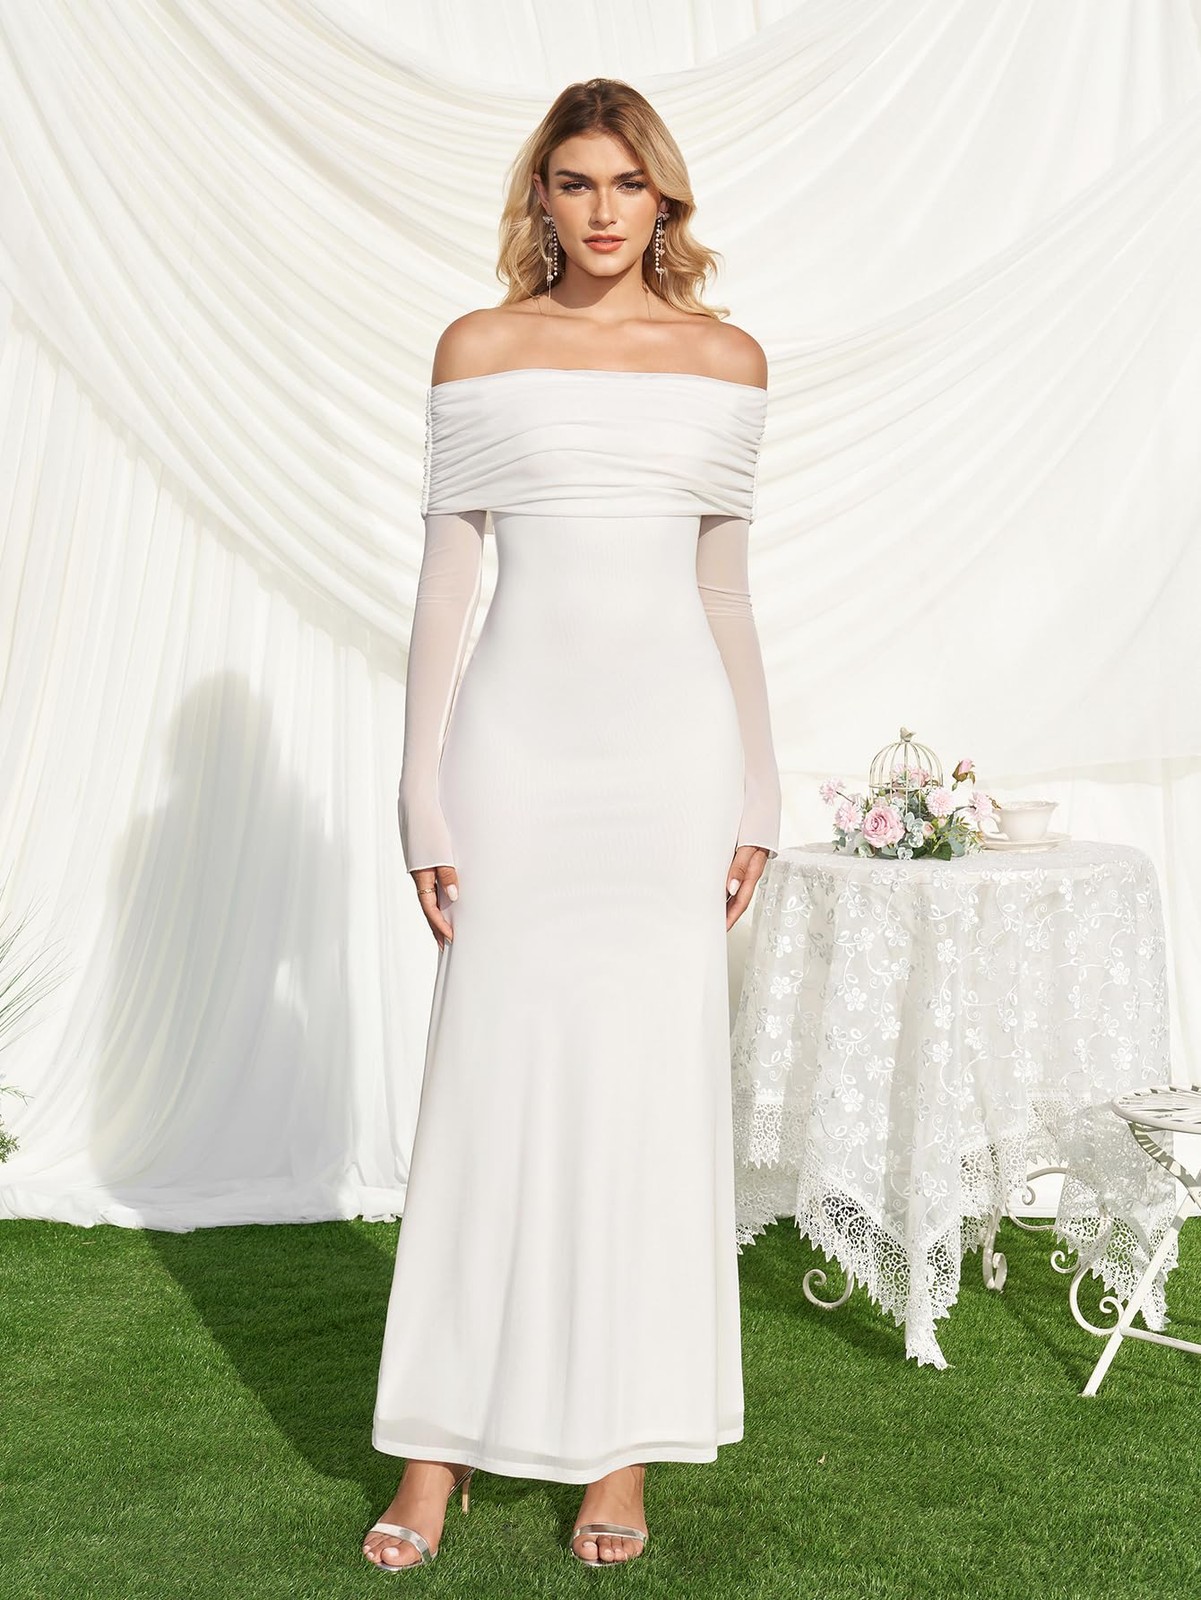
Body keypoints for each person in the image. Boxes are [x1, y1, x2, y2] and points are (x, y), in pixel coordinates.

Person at [363, 76, 781, 1573]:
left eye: (627, 183)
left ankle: (621, 1452)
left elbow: (723, 591)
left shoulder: (727, 361)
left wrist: (759, 788)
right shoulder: (479, 348)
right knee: (488, 1085)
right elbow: (447, 585)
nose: (603, 210)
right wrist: (420, 791)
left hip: (671, 766)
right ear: (539, 198)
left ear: (663, 198)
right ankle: (434, 1453)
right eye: (575, 182)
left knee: (650, 1096)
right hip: (515, 762)